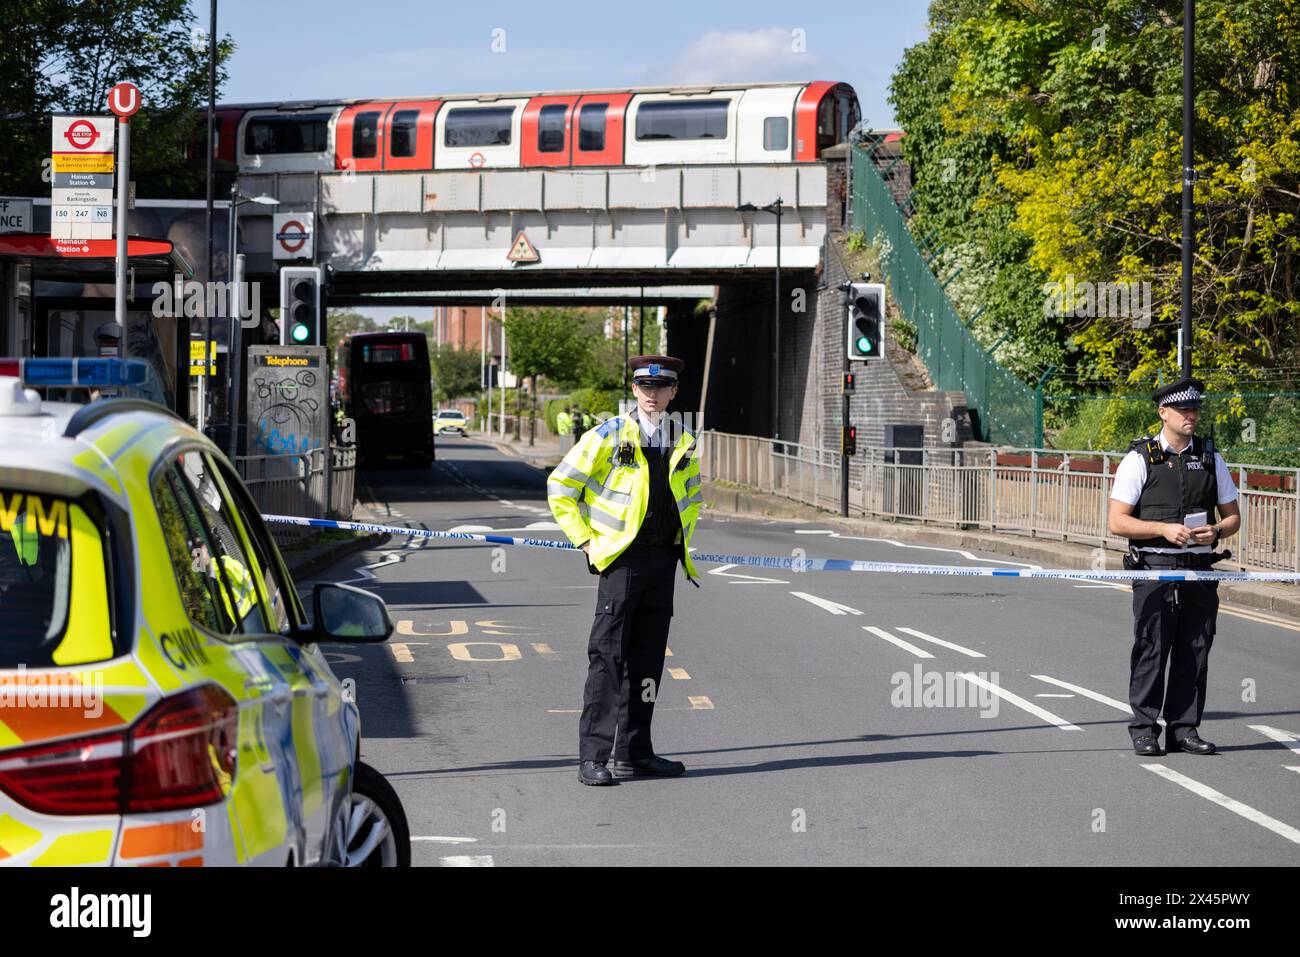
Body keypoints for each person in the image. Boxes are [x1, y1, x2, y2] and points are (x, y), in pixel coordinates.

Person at [547, 355, 703, 786]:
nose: (652, 394)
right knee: (607, 659)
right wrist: (585, 539)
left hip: (663, 562)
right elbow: (560, 485)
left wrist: (681, 544)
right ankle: (592, 757)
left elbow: (691, 497)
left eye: (661, 387)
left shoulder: (684, 439)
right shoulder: (608, 433)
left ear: (673, 392)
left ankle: (635, 753)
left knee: (648, 661)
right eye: (644, 387)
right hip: (621, 560)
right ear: (634, 391)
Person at [1107, 377, 1240, 757]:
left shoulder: (1212, 458)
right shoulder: (1140, 459)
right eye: (1184, 410)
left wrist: (1214, 530)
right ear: (1163, 412)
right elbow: (1117, 521)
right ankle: (1144, 728)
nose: (1192, 416)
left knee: (1194, 649)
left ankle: (1183, 729)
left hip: (1198, 570)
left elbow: (1233, 518)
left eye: (1195, 409)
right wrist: (1162, 529)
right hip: (1154, 569)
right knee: (1152, 648)